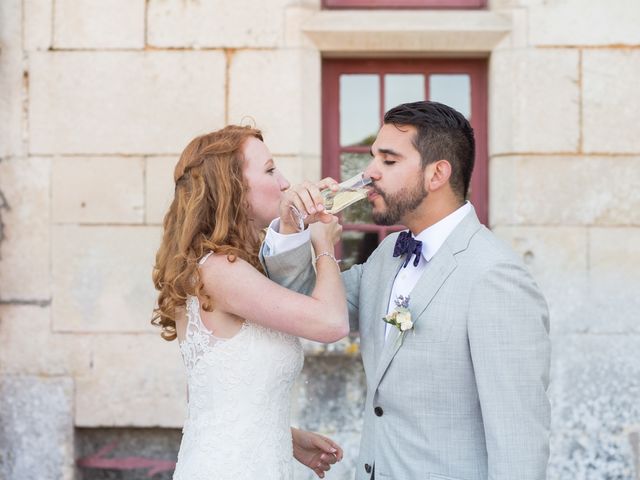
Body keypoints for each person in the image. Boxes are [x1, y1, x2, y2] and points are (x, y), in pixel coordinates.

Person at [262, 101, 551, 480]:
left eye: (389, 160)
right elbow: (301, 300)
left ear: (437, 174)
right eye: (372, 158)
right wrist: (292, 229)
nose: (369, 173)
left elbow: (518, 441)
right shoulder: (387, 255)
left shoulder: (496, 277)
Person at [151, 125, 349, 479]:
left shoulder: (227, 269)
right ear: (232, 187)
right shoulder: (219, 271)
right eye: (271, 170)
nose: (285, 182)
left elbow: (219, 399)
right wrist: (323, 245)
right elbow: (332, 323)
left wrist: (288, 438)